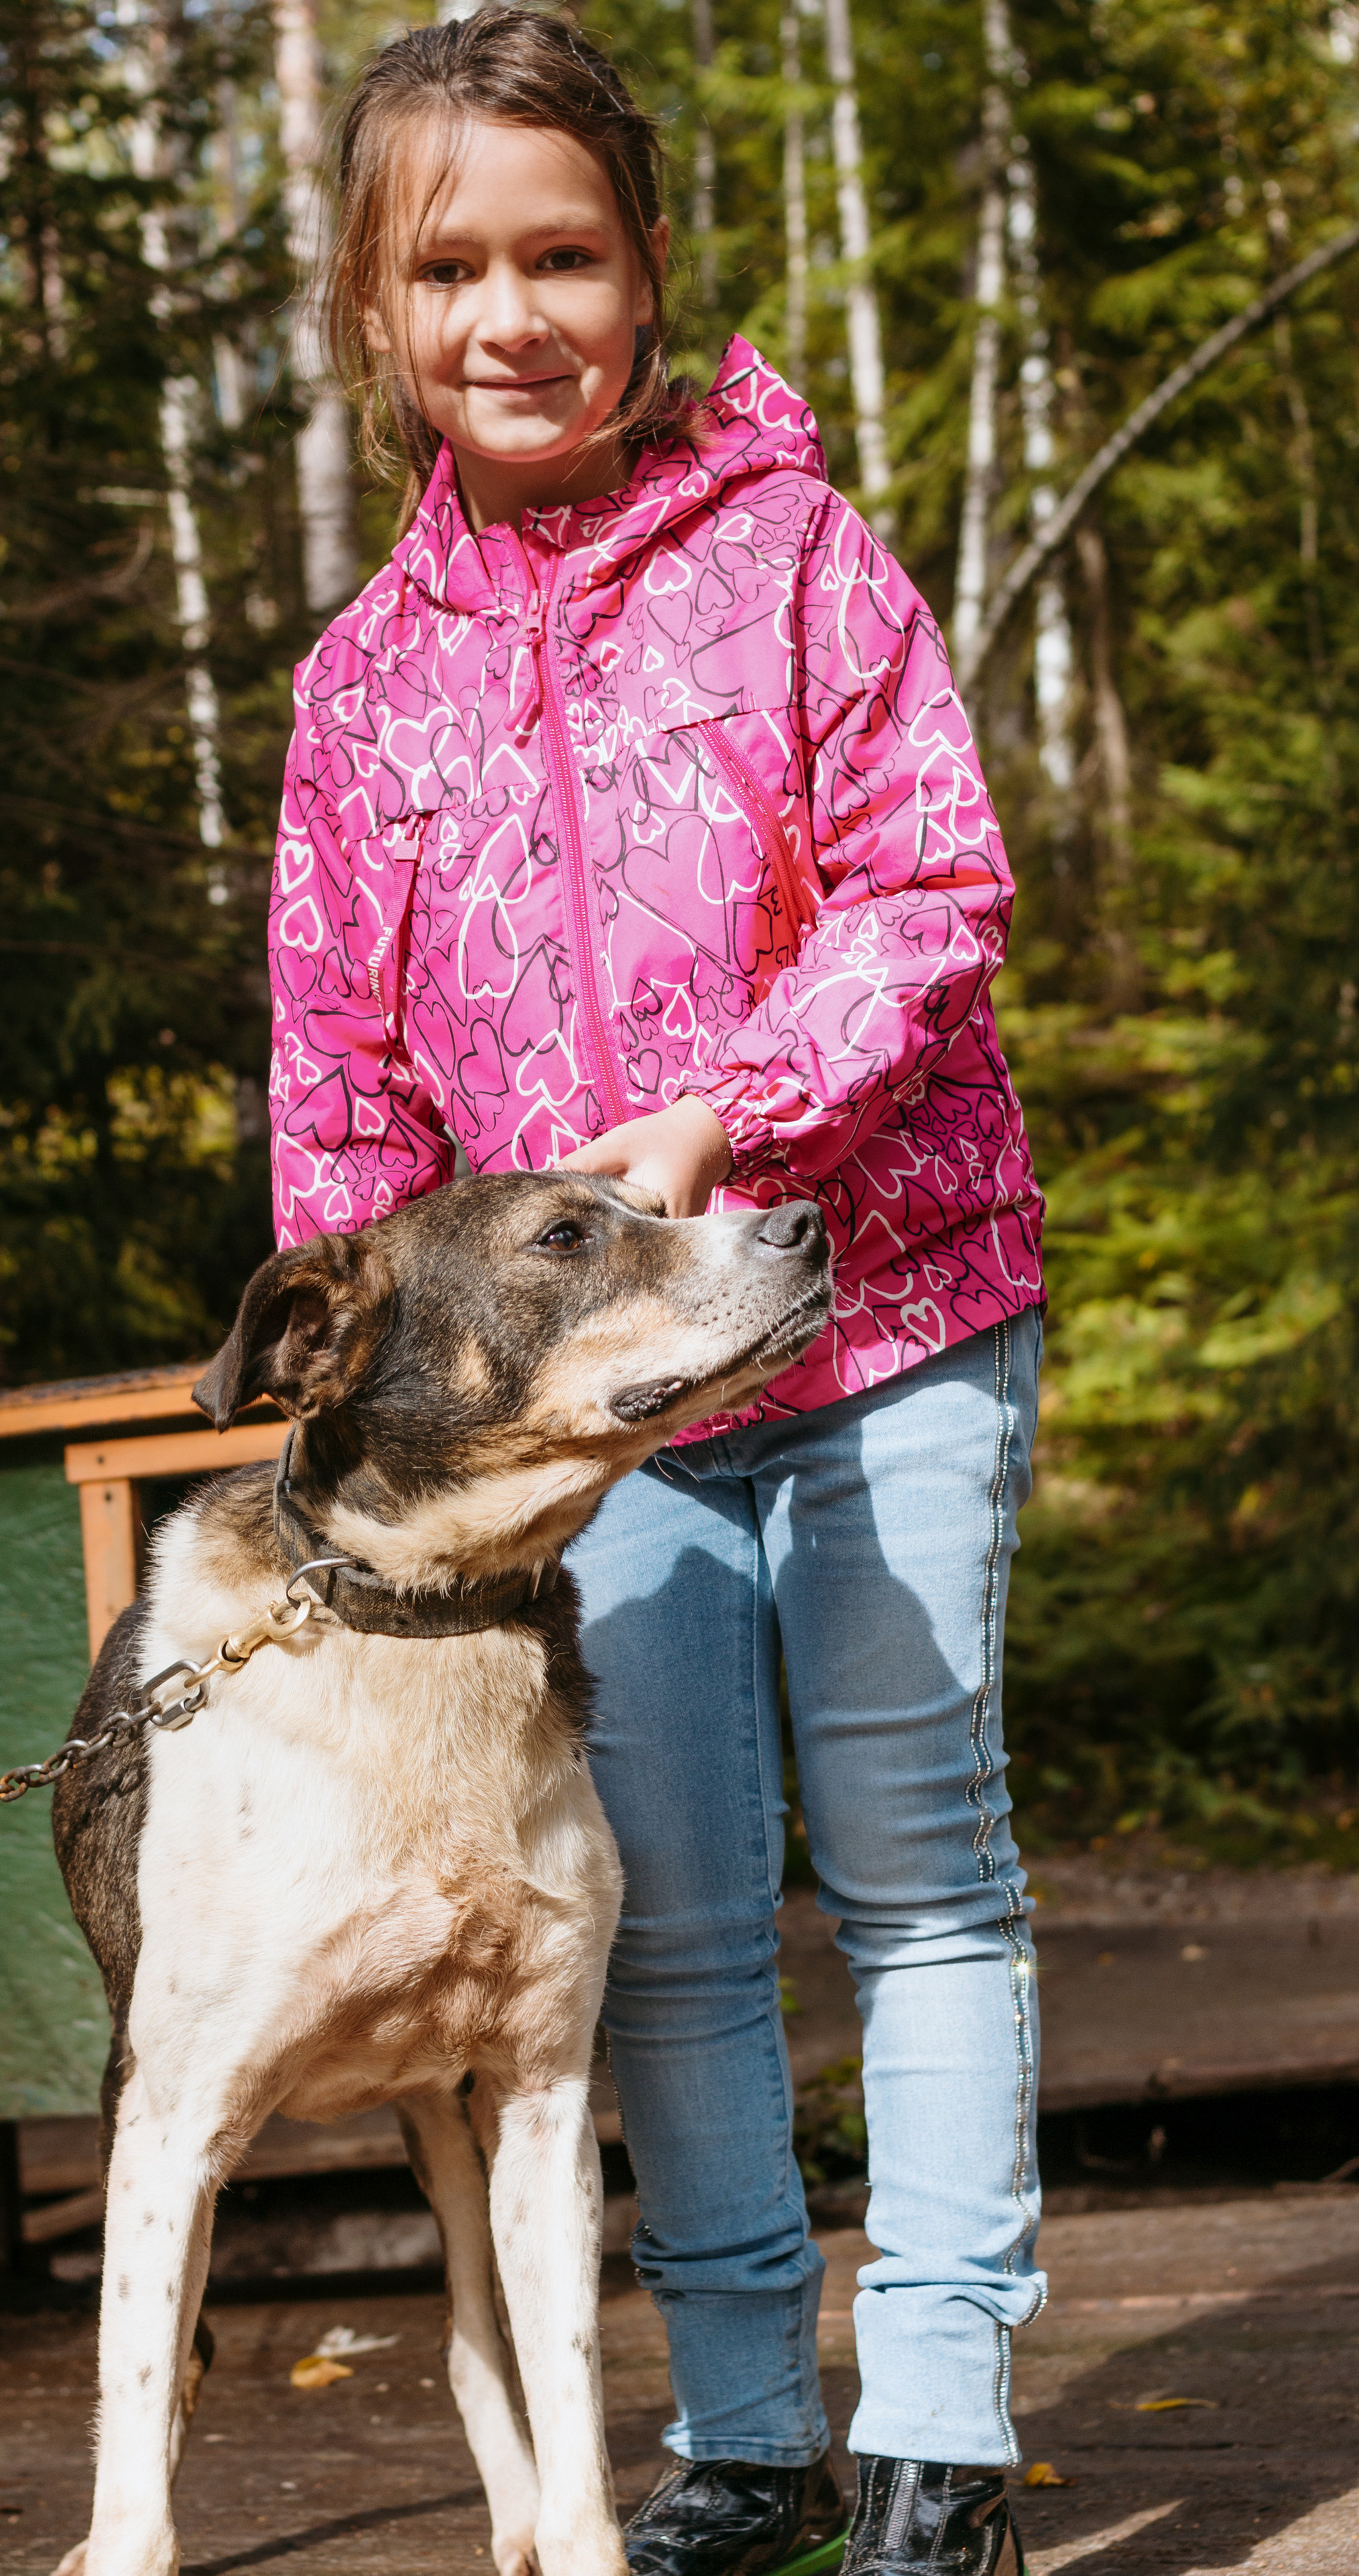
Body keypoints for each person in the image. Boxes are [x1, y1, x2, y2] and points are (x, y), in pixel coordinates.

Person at [264, 15, 1043, 2573]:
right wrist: (378, 1467)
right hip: (588, 1425)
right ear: (382, 311)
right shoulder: (358, 696)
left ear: (647, 273)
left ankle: (935, 2425)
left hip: (892, 1302)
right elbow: (351, 1117)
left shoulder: (796, 556)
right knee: (677, 1907)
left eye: (561, 254)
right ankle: (738, 2434)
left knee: (917, 1857)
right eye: (453, 266)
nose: (514, 313)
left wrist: (736, 1115)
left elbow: (939, 888)